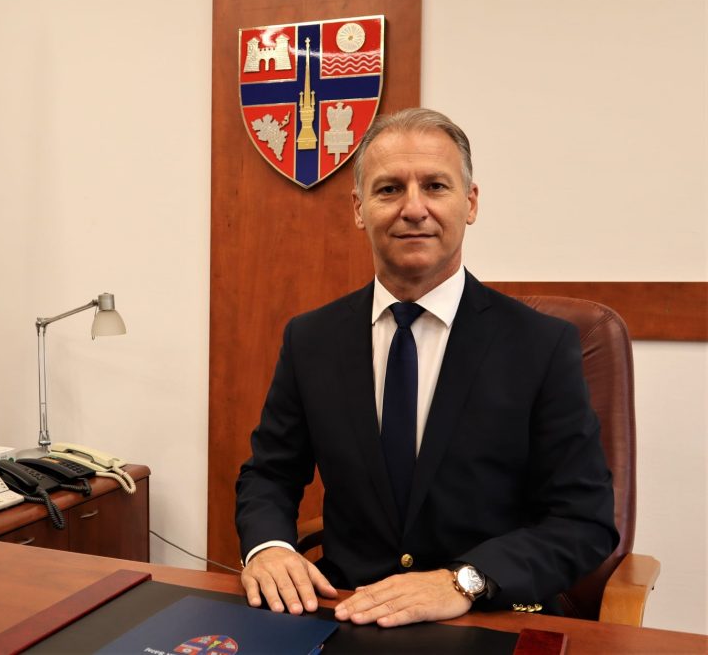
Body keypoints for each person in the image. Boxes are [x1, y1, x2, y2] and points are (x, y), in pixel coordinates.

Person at [234, 108, 618, 627]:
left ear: (470, 203)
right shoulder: (311, 339)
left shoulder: (542, 345)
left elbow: (583, 521)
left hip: (488, 616)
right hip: (349, 611)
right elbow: (270, 474)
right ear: (359, 209)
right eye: (389, 189)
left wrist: (464, 580)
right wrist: (270, 548)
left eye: (435, 186)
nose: (413, 209)